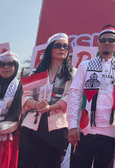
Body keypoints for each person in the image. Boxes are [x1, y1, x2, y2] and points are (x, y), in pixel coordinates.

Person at [67, 25, 115, 168]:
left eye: (111, 40)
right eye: (103, 40)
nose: (107, 43)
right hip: (85, 129)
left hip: (110, 131)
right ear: (98, 44)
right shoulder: (85, 66)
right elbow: (75, 95)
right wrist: (72, 126)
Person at [19, 33, 74, 168]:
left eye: (66, 46)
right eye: (58, 45)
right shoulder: (36, 72)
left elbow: (70, 96)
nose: (63, 49)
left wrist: (51, 107)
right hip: (32, 126)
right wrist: (37, 104)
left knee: (51, 164)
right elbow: (25, 96)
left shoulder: (72, 72)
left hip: (57, 127)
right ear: (50, 49)